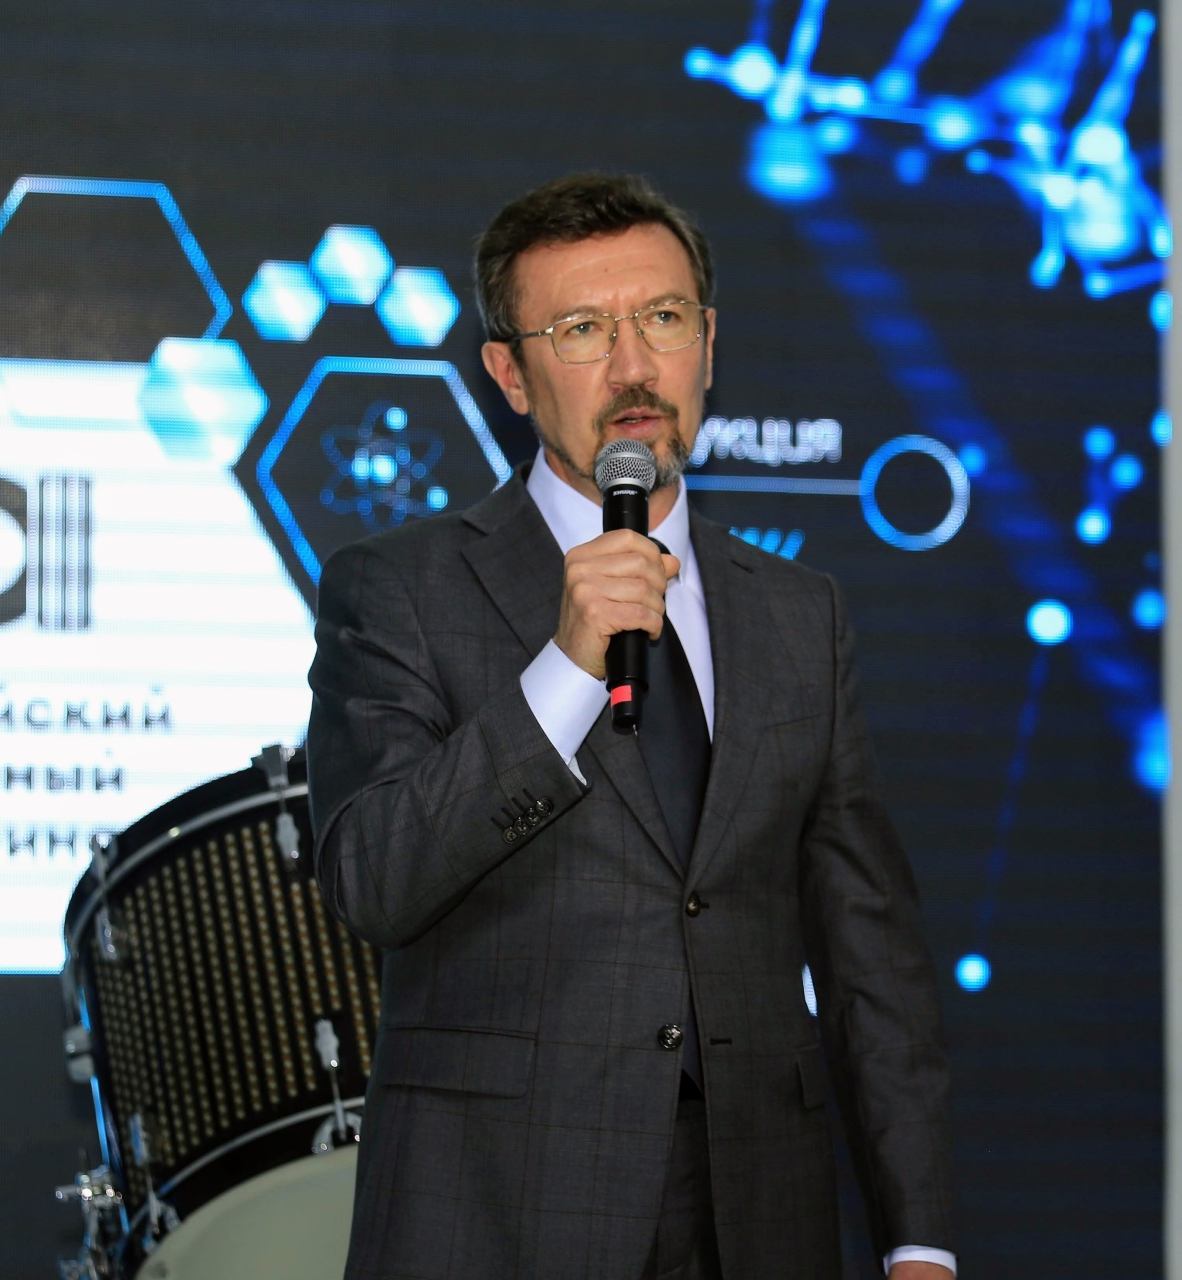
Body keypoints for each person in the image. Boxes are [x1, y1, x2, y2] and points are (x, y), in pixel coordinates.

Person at [307, 172, 955, 1280]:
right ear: (509, 374)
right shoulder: (400, 589)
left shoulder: (799, 614)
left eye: (661, 318)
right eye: (581, 330)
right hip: (500, 1214)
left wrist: (920, 1235)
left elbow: (869, 956)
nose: (632, 367)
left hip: (758, 1213)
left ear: (708, 341)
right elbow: (375, 880)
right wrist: (565, 667)